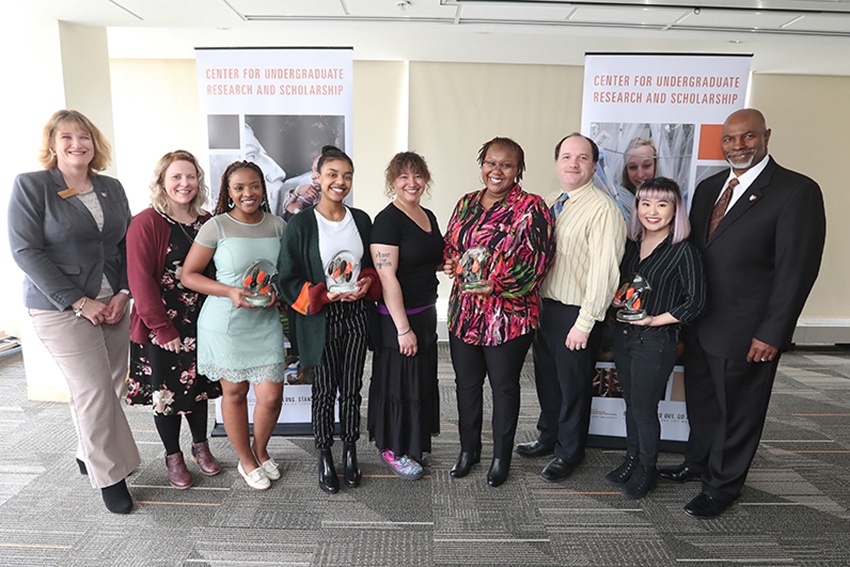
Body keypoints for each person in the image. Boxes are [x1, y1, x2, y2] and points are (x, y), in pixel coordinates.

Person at [658, 108, 826, 519]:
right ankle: (698, 462)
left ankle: (722, 487)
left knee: (739, 412)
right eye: (729, 139)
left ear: (766, 135)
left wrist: (773, 332)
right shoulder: (709, 187)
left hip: (748, 330)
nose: (738, 146)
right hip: (700, 322)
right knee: (702, 401)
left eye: (748, 136)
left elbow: (796, 270)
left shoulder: (796, 191)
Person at [7, 109, 140, 514]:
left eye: (84, 137)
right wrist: (80, 302)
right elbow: (25, 250)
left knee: (112, 386)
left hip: (113, 303)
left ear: (94, 144)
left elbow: (124, 244)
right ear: (52, 144)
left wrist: (123, 293)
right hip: (61, 307)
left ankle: (88, 450)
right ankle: (111, 476)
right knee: (93, 391)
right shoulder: (32, 186)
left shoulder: (110, 187)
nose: (76, 144)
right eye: (66, 137)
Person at [443, 137, 555, 488]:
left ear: (518, 170)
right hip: (465, 313)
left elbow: (539, 262)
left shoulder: (532, 207)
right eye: (491, 162)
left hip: (508, 318)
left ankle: (500, 458)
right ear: (482, 164)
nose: (497, 170)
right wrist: (451, 262)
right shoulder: (466, 203)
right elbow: (451, 245)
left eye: (506, 165)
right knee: (466, 384)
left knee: (504, 387)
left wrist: (497, 285)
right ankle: (468, 450)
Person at [516, 133, 626, 483]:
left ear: (594, 166)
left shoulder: (603, 209)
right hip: (544, 308)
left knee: (573, 387)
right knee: (548, 380)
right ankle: (548, 436)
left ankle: (569, 451)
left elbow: (605, 273)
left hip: (576, 313)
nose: (573, 164)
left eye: (582, 158)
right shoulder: (548, 202)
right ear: (556, 163)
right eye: (566, 157)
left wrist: (585, 322)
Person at [278, 145, 382, 494]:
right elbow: (287, 278)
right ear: (318, 178)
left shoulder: (361, 220)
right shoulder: (301, 224)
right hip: (320, 319)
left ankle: (350, 450)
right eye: (333, 174)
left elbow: (370, 267)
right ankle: (324, 454)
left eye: (347, 176)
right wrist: (323, 295)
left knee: (352, 389)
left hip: (355, 315)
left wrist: (366, 282)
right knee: (324, 391)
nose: (340, 182)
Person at [180, 160, 287, 491]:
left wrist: (277, 292)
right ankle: (246, 460)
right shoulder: (217, 226)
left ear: (263, 188)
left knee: (271, 396)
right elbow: (189, 276)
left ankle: (261, 450)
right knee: (236, 393)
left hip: (264, 321)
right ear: (228, 192)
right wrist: (230, 291)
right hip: (225, 323)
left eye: (254, 186)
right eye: (239, 188)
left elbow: (284, 272)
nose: (247, 193)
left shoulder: (278, 225)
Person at [126, 150, 223, 489]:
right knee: (166, 395)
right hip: (161, 325)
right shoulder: (147, 222)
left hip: (201, 322)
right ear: (162, 182)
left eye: (190, 176)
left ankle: (201, 446)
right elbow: (140, 281)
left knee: (197, 389)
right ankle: (173, 456)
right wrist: (162, 328)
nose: (185, 183)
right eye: (176, 177)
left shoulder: (206, 221)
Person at [604, 177, 705, 499]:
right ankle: (632, 459)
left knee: (645, 409)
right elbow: (623, 286)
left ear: (675, 210)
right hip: (624, 335)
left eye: (662, 204)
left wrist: (654, 320)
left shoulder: (683, 251)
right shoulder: (631, 246)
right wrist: (617, 299)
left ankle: (647, 469)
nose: (652, 211)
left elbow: (696, 302)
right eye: (645, 203)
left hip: (656, 341)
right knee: (631, 403)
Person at [368, 152, 443, 480]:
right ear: (392, 182)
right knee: (398, 384)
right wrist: (402, 329)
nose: (412, 183)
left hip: (426, 313)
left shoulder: (427, 215)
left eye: (418, 176)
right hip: (398, 319)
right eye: (403, 177)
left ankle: (413, 442)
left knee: (419, 382)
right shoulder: (387, 221)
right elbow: (387, 277)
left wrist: (447, 264)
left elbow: (427, 258)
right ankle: (393, 449)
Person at [278, 155, 321, 221]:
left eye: (318, 171)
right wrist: (296, 192)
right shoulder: (316, 193)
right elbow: (289, 206)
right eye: (313, 171)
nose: (312, 176)